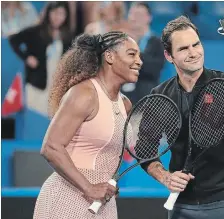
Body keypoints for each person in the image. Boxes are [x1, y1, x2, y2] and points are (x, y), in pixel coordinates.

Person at [140, 16, 224, 219]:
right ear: (168, 55)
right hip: (181, 203)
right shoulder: (160, 96)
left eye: (196, 44)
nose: (193, 53)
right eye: (183, 49)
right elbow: (144, 149)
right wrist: (165, 177)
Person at [33, 31, 143, 219]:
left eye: (139, 55)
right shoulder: (84, 93)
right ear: (109, 57)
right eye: (132, 54)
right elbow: (51, 147)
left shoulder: (125, 104)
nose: (139, 61)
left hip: (103, 201)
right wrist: (88, 187)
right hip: (68, 198)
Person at [9, 2, 72, 116]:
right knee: (34, 119)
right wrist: (27, 57)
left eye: (61, 13)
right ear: (48, 13)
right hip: (36, 85)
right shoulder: (36, 31)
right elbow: (13, 40)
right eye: (54, 12)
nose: (57, 17)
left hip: (55, 87)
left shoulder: (67, 36)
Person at [121, 2, 165, 104]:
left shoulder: (158, 43)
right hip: (123, 99)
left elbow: (153, 70)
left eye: (139, 14)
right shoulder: (122, 42)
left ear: (149, 18)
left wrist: (134, 49)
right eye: (132, 14)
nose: (134, 18)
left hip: (146, 100)